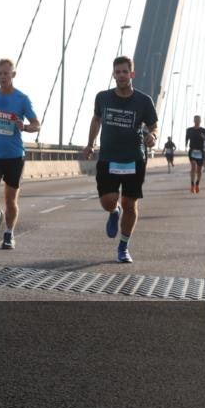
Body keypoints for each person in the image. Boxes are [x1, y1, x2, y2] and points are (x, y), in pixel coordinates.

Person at [83, 56, 159, 263]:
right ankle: (113, 212)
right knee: (108, 201)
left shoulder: (144, 101)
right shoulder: (103, 97)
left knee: (129, 203)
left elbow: (153, 125)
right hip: (108, 157)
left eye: (125, 72)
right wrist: (90, 144)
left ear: (131, 74)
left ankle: (123, 246)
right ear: (113, 74)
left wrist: (153, 135)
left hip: (134, 158)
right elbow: (96, 119)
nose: (121, 76)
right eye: (118, 72)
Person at [0, 58, 40, 250]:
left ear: (13, 75)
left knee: (11, 200)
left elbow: (36, 124)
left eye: (6, 73)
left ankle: (8, 234)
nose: (3, 77)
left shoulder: (22, 99)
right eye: (0, 74)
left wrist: (26, 127)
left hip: (14, 156)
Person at [185, 115, 205, 193]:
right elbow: (186, 138)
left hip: (200, 151)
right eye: (195, 120)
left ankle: (197, 184)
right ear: (194, 121)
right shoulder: (189, 130)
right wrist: (186, 144)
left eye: (198, 120)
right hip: (192, 151)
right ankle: (192, 185)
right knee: (193, 167)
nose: (197, 121)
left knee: (199, 170)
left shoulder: (203, 130)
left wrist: (204, 137)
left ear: (200, 121)